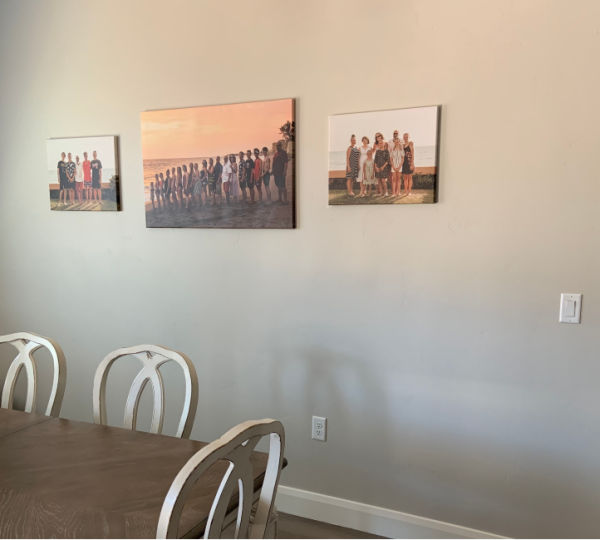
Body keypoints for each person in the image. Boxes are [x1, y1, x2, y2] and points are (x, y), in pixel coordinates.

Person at [402, 132, 415, 197]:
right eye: (404, 137)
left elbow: (412, 154)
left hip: (409, 162)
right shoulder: (403, 145)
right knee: (405, 178)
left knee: (410, 177)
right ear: (403, 138)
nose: (405, 138)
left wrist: (412, 163)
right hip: (404, 163)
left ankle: (409, 191)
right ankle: (406, 191)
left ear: (408, 137)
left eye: (406, 137)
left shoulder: (410, 144)